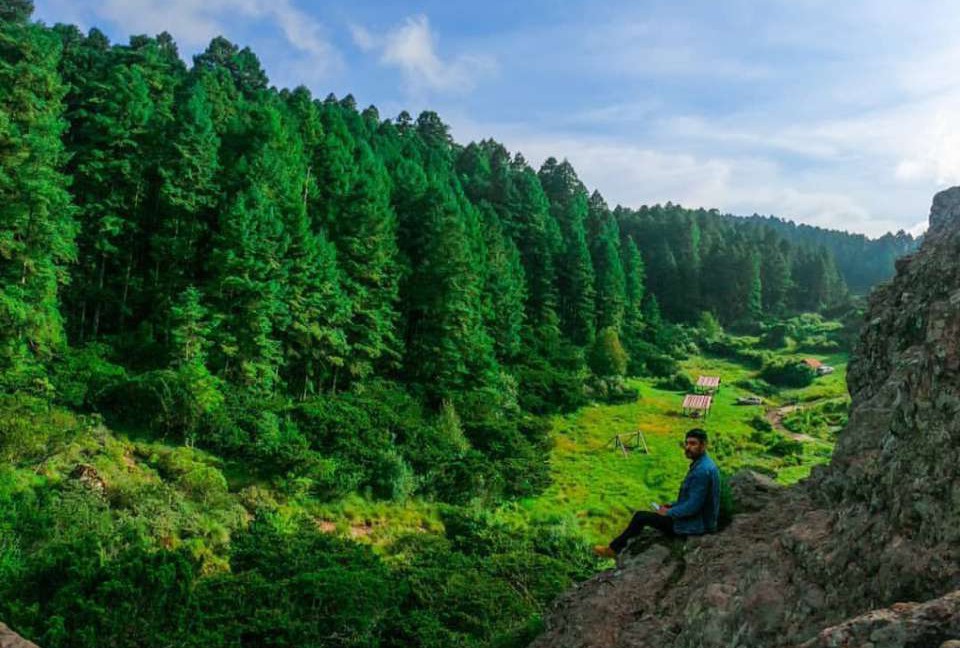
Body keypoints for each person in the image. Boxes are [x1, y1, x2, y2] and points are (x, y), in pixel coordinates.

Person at [594, 428, 720, 559]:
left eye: (693, 444)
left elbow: (693, 506)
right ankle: (615, 548)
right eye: (687, 443)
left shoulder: (702, 471)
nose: (688, 447)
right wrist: (672, 505)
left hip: (695, 526)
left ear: (703, 445)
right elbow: (693, 499)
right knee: (652, 513)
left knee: (641, 517)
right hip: (698, 520)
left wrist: (668, 512)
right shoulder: (703, 464)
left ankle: (613, 550)